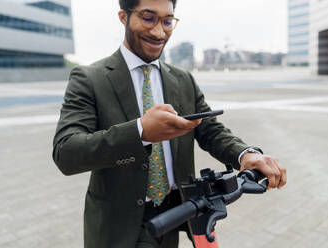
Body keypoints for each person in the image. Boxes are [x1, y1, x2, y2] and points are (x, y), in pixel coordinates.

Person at [52, 0, 287, 247]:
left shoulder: (183, 79)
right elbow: (67, 152)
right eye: (148, 17)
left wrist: (245, 154)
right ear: (124, 17)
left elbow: (210, 129)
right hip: (117, 224)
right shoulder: (89, 78)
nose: (159, 31)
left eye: (167, 21)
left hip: (174, 215)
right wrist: (140, 131)